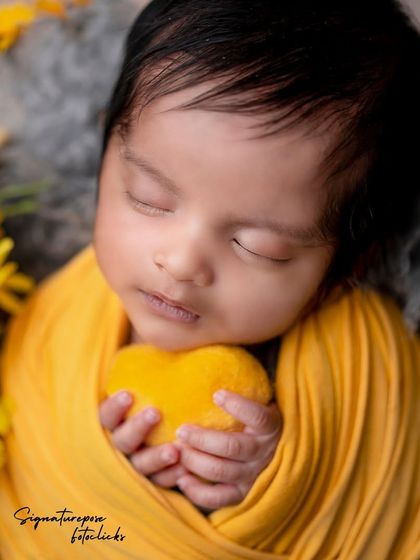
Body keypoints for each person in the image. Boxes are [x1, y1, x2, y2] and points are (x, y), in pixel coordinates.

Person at [0, 1, 419, 558]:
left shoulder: (358, 364)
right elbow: (39, 485)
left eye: (256, 245)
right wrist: (98, 458)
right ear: (105, 151)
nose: (180, 262)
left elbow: (361, 483)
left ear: (351, 263)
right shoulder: (55, 320)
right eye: (148, 198)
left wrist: (276, 477)